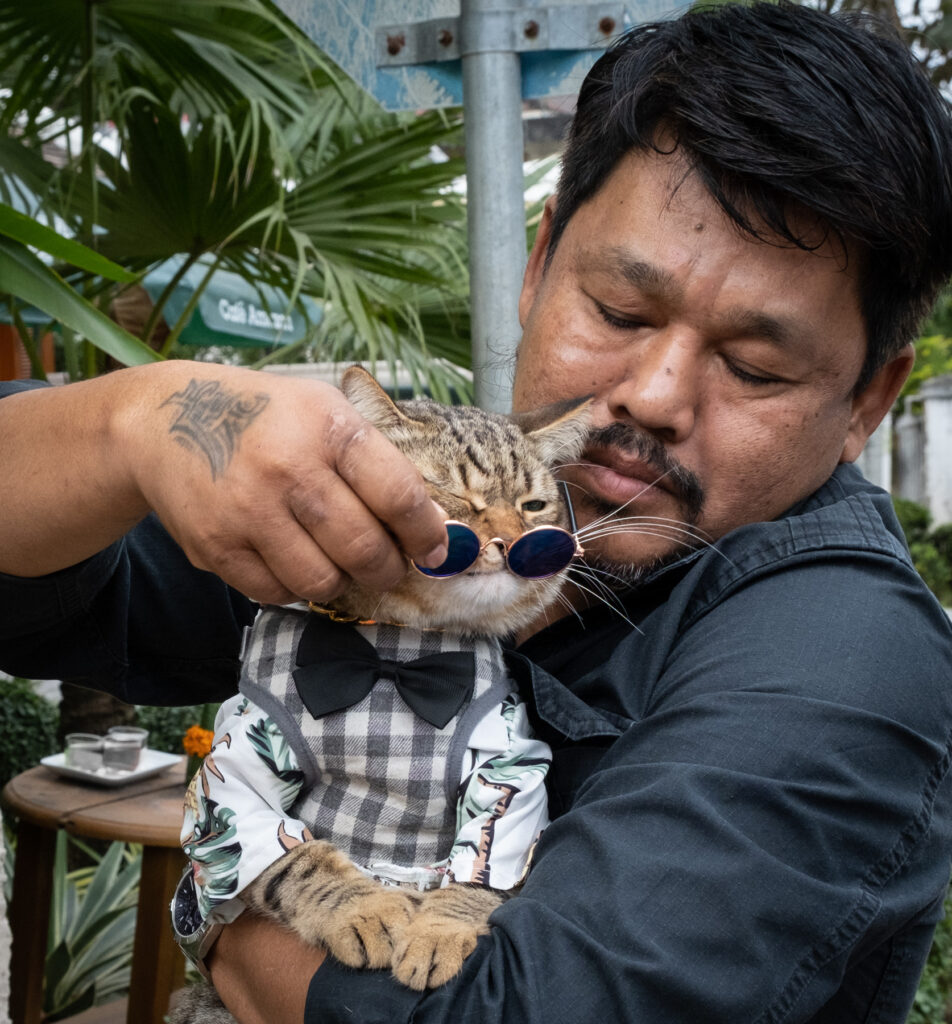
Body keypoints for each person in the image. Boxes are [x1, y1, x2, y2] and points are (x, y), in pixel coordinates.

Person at [2, 2, 952, 1021]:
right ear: (538, 264)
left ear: (867, 401)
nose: (654, 395)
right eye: (619, 312)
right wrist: (129, 427)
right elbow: (41, 588)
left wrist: (233, 907)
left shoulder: (843, 660)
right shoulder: (406, 493)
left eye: (754, 366)